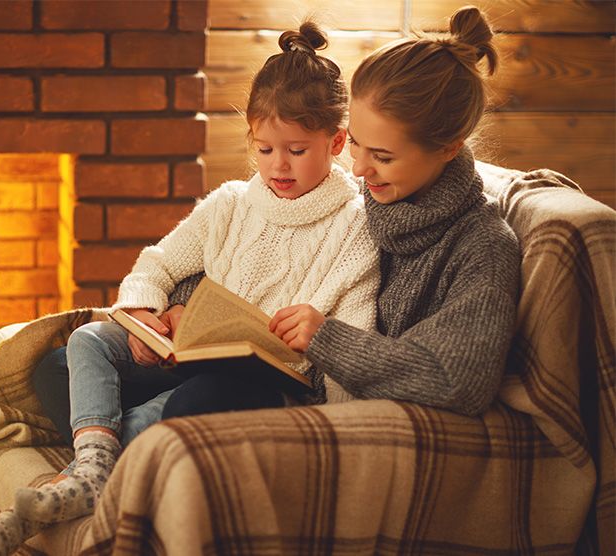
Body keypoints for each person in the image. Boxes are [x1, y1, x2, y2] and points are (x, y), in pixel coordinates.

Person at [0, 21, 379, 556]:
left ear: (337, 141)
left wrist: (321, 377)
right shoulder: (231, 203)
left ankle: (85, 468)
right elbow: (157, 263)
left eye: (296, 151)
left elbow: (353, 334)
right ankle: (95, 466)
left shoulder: (354, 224)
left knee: (193, 402)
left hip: (260, 382)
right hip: (188, 354)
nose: (278, 165)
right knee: (69, 357)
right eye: (264, 148)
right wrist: (143, 310)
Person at [164, 5, 520, 420]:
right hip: (257, 374)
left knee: (195, 402)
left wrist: (328, 340)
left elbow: (460, 381)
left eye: (383, 157)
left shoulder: (482, 247)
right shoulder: (367, 198)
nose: (358, 169)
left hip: (335, 410)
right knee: (75, 360)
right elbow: (255, 254)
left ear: (448, 148)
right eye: (356, 144)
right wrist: (183, 302)